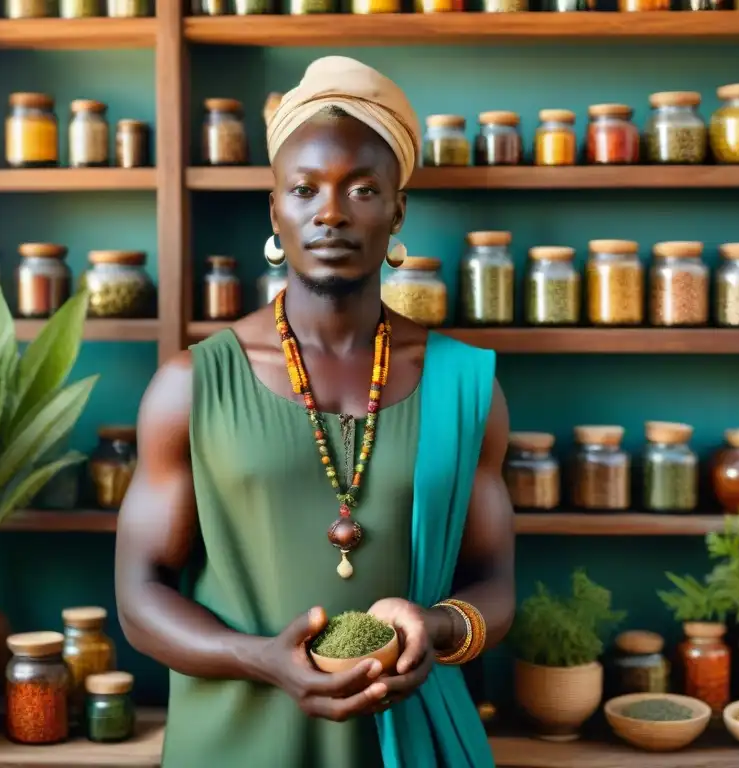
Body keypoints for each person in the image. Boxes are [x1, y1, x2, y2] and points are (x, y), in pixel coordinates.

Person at [114, 55, 516, 768]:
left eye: (362, 189)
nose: (330, 212)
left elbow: (497, 583)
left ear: (397, 210)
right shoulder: (190, 385)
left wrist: (438, 627)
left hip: (411, 739)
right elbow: (140, 593)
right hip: (238, 745)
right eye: (304, 189)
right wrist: (260, 658)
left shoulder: (463, 384)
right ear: (276, 211)